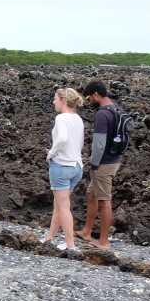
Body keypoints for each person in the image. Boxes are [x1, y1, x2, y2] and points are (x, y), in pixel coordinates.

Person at [78, 81, 123, 249]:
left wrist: (94, 164)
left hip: (103, 163)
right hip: (114, 159)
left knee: (104, 200)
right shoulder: (116, 109)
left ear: (96, 94)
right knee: (91, 194)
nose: (89, 102)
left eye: (88, 98)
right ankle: (86, 232)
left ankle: (104, 242)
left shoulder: (102, 114)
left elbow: (99, 144)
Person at [43, 88, 85, 250]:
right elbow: (79, 144)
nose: (53, 102)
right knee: (59, 204)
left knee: (63, 206)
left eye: (55, 99)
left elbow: (62, 139)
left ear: (63, 101)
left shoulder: (61, 118)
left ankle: (70, 245)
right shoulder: (78, 119)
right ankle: (49, 238)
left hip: (62, 166)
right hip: (77, 167)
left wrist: (51, 153)